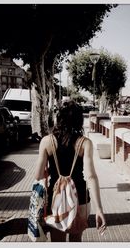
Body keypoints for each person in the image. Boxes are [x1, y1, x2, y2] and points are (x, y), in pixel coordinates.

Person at [34, 100, 106, 242]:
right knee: (76, 240)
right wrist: (99, 209)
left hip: (55, 199)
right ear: (79, 120)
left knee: (57, 241)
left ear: (58, 118)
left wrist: (48, 171)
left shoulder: (47, 141)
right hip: (80, 200)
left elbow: (38, 175)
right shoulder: (84, 143)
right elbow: (91, 177)